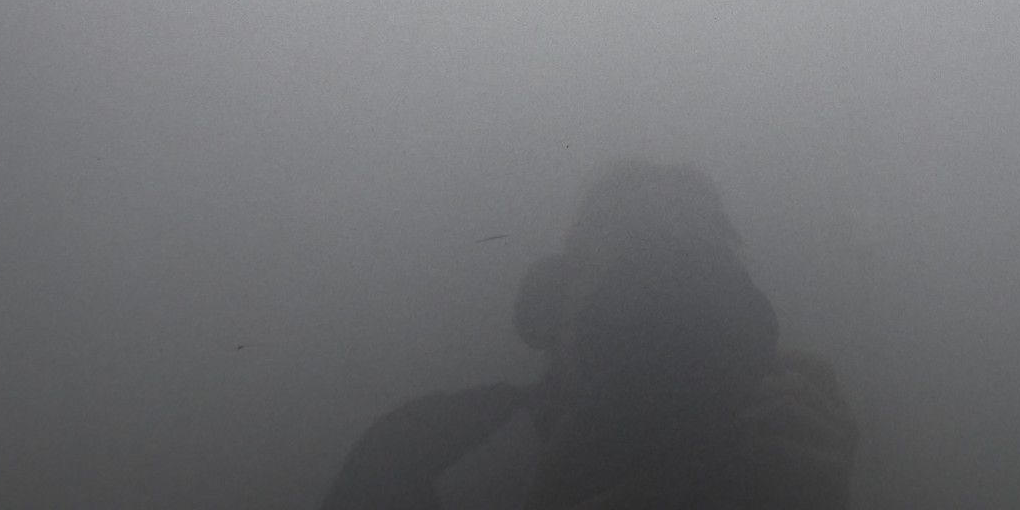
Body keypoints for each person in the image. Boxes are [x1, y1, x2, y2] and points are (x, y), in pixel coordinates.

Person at [319, 159, 858, 510]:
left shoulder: (784, 458)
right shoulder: (423, 451)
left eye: (694, 292)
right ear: (552, 308)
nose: (664, 332)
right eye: (636, 290)